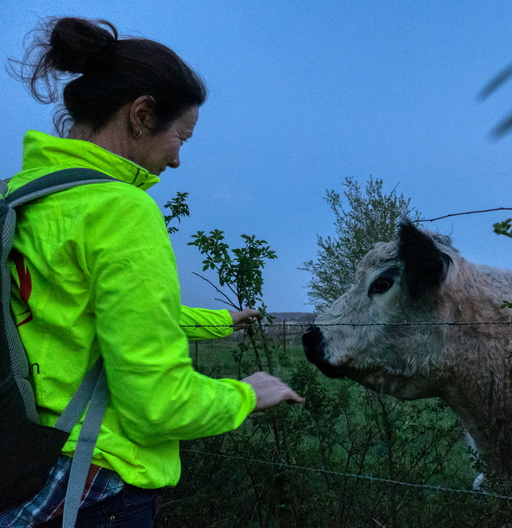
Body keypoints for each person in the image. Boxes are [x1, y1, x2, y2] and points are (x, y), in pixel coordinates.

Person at [0, 17, 303, 527]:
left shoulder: (20, 196)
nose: (179, 159)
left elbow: (87, 314)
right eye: (181, 137)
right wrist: (248, 393)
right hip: (97, 485)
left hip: (22, 459)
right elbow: (158, 405)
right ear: (141, 115)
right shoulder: (120, 209)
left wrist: (220, 322)